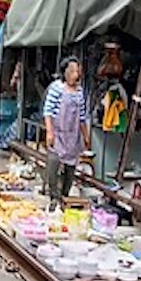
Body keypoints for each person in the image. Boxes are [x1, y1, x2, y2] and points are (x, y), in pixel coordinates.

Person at [44, 57, 90, 207]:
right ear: (65, 72)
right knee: (54, 164)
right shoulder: (56, 88)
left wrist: (86, 135)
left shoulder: (79, 92)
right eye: (72, 71)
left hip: (73, 136)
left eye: (77, 71)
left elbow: (82, 116)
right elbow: (48, 111)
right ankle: (53, 197)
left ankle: (65, 196)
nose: (75, 74)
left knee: (70, 169)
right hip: (58, 133)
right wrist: (50, 132)